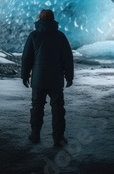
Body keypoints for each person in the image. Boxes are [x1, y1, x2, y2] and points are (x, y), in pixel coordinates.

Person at [21, 9, 74, 147]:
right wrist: (69, 77)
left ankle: (35, 135)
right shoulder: (60, 36)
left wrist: (25, 76)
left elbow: (27, 58)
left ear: (40, 19)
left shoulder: (33, 36)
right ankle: (58, 138)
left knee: (37, 107)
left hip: (38, 79)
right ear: (53, 19)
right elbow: (68, 58)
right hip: (56, 79)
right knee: (57, 108)